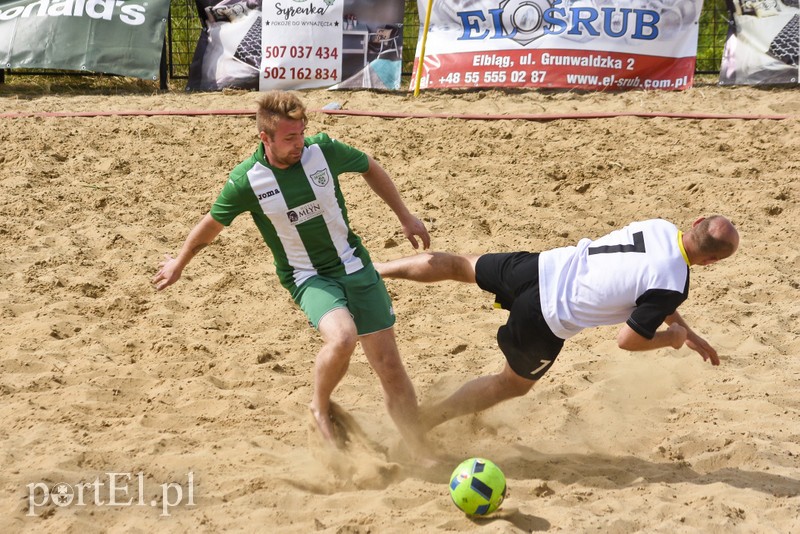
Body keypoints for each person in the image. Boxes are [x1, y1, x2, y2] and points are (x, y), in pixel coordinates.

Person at [152, 91, 431, 453]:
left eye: (300, 134)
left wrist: (405, 215)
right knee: (343, 338)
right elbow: (211, 224)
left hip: (355, 264)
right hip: (308, 277)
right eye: (289, 138)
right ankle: (319, 405)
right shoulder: (247, 181)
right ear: (264, 138)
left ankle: (420, 451)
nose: (298, 143)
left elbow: (370, 167)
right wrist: (179, 262)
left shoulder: (323, 151)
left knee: (391, 369)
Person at [375, 216, 739, 432]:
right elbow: (628, 339)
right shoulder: (672, 284)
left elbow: (647, 285)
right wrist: (671, 339)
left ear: (694, 224)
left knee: (459, 266)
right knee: (510, 385)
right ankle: (422, 423)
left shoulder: (660, 227)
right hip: (547, 317)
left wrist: (684, 328)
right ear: (710, 262)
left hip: (543, 267)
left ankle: (377, 270)